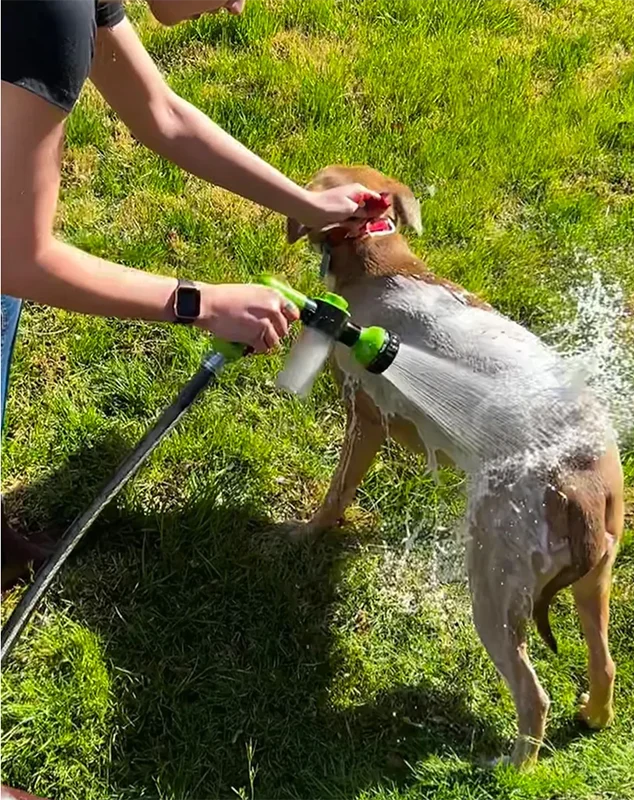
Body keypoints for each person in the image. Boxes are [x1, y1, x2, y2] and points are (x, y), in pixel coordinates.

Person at [0, 0, 381, 589]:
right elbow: (19, 259)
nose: (238, 6)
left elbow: (162, 114)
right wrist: (201, 303)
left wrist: (307, 206)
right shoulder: (45, 16)